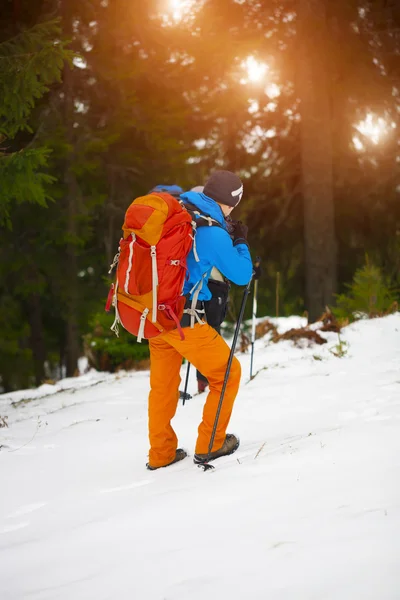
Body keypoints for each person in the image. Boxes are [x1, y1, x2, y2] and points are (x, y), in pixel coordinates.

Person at [147, 170, 252, 470]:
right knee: (228, 374)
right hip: (184, 321)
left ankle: (161, 453)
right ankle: (211, 443)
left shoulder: (180, 208)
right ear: (231, 202)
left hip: (156, 315)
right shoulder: (213, 232)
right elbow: (242, 275)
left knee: (163, 386)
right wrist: (241, 241)